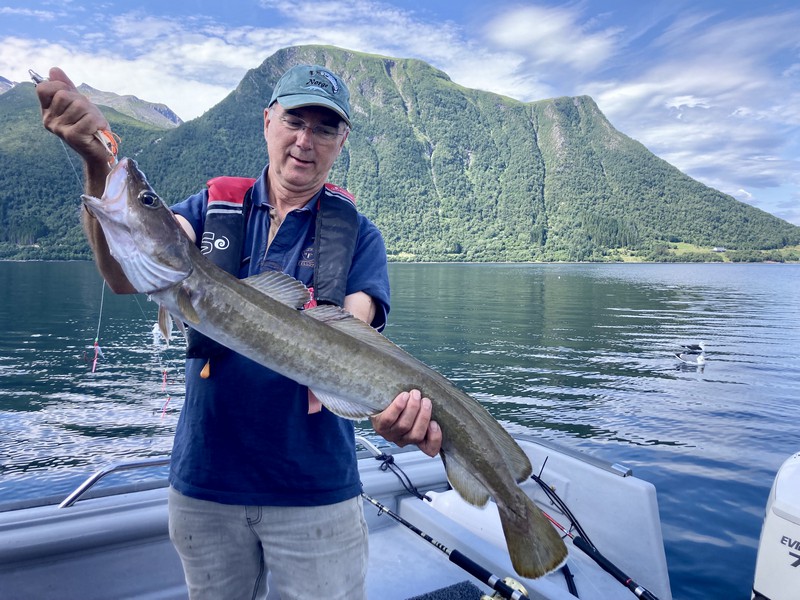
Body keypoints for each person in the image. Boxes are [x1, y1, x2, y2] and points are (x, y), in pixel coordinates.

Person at [37, 64, 442, 599]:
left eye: (324, 128)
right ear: (267, 121)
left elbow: (354, 338)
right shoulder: (210, 208)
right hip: (206, 488)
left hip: (315, 493)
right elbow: (125, 271)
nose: (305, 140)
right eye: (294, 121)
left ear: (341, 141)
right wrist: (98, 163)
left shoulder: (360, 237)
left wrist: (390, 410)